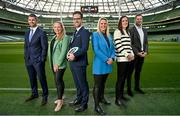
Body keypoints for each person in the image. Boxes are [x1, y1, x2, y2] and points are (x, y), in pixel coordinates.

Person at [67, 11, 90, 112]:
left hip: (80, 63)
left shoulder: (84, 32)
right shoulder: (75, 32)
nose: (76, 20)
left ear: (81, 20)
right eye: (74, 19)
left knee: (83, 84)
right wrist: (69, 55)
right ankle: (79, 99)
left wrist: (74, 55)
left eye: (78, 18)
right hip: (72, 63)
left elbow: (85, 48)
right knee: (77, 84)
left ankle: (84, 104)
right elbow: (72, 47)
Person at [92, 17, 115, 115]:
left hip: (108, 64)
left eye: (105, 23)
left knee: (103, 83)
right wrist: (106, 59)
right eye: (101, 23)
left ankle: (101, 98)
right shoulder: (95, 35)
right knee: (97, 85)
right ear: (99, 24)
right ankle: (96, 106)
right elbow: (96, 50)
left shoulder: (109, 35)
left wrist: (112, 58)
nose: (103, 25)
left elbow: (113, 49)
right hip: (99, 64)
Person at [24, 14, 48, 106]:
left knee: (42, 78)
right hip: (28, 60)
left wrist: (42, 59)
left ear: (36, 21)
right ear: (28, 21)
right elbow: (26, 46)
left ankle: (45, 96)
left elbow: (44, 47)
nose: (31, 21)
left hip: (38, 60)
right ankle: (34, 94)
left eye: (33, 20)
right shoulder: (26, 32)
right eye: (29, 20)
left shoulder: (41, 32)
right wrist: (26, 57)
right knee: (32, 78)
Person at [48, 21, 70, 112]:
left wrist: (57, 64)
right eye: (55, 27)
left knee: (58, 81)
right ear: (53, 28)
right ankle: (61, 96)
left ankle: (60, 101)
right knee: (58, 81)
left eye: (59, 27)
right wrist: (53, 63)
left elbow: (64, 52)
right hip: (53, 63)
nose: (57, 29)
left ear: (62, 28)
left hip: (59, 65)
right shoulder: (54, 37)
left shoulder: (65, 37)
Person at [113, 16, 134, 106]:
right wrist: (127, 55)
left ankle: (121, 96)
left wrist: (132, 54)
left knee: (124, 78)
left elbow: (129, 46)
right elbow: (118, 45)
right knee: (120, 79)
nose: (125, 22)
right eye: (123, 21)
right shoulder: (117, 31)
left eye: (126, 21)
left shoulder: (128, 32)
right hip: (122, 59)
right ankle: (117, 99)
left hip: (128, 59)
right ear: (120, 22)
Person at [128, 14, 148, 95]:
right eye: (138, 19)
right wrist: (137, 52)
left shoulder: (145, 30)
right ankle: (129, 89)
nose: (139, 20)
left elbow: (146, 42)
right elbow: (131, 43)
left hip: (142, 55)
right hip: (134, 55)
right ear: (135, 20)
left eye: (140, 19)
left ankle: (137, 87)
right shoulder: (131, 30)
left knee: (138, 72)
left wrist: (146, 51)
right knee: (130, 73)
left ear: (142, 20)